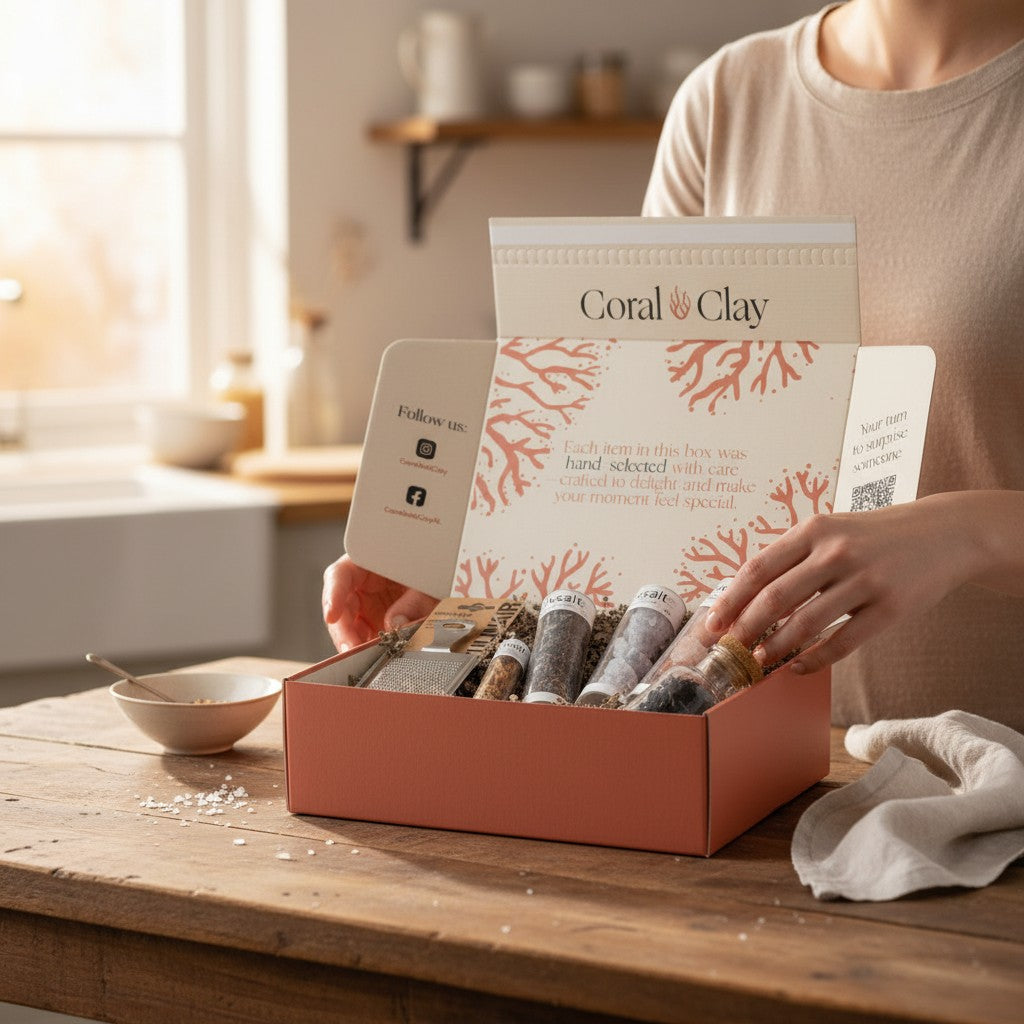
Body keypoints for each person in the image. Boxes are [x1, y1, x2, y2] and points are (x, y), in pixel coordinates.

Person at [324, 0, 1024, 729]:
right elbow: (652, 469)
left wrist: (964, 531)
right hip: (737, 773)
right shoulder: (726, 101)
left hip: (996, 785)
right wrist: (465, 560)